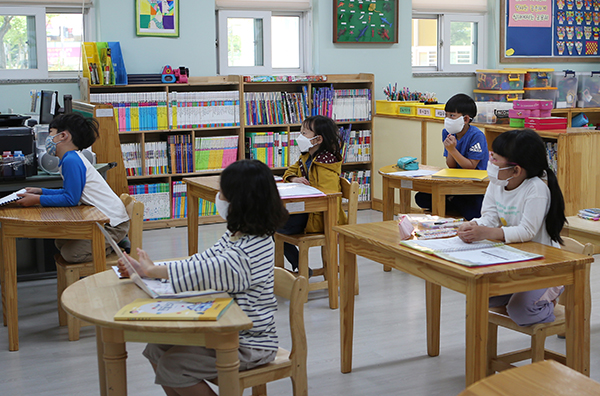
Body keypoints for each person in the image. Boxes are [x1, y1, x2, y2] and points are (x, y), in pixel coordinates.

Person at [118, 159, 289, 396]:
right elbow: (201, 261)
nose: (218, 198)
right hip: (227, 329)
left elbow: (208, 272)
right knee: (156, 349)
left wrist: (154, 271)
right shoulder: (237, 235)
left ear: (240, 202)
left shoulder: (248, 251)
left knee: (174, 366)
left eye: (223, 193)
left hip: (249, 343)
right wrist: (151, 268)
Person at [458, 129, 566, 326]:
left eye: (495, 159)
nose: (490, 163)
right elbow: (489, 218)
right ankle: (523, 295)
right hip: (515, 262)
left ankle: (550, 302)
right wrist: (473, 226)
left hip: (544, 267)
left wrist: (486, 233)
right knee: (480, 295)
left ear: (516, 170)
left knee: (520, 311)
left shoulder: (536, 188)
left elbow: (527, 232)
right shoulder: (498, 181)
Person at [17, 113, 130, 263]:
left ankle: (114, 245)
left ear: (63, 136)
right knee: (61, 242)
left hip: (112, 224)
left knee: (70, 254)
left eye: (50, 133)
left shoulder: (71, 160)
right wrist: (41, 191)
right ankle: (111, 242)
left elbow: (70, 199)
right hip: (104, 219)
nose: (47, 140)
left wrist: (37, 199)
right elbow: (69, 192)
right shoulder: (71, 158)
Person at [279, 115, 347, 272]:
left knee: (273, 227)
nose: (300, 136)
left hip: (319, 218)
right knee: (270, 225)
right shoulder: (306, 156)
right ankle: (300, 267)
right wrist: (294, 178)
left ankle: (300, 268)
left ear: (318, 139)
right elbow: (289, 171)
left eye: (305, 133)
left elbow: (329, 197)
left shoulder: (326, 163)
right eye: (301, 132)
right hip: (305, 212)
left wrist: (334, 227)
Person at [415, 93, 488, 220]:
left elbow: (471, 166)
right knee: (421, 198)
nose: (447, 119)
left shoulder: (477, 136)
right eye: (446, 115)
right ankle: (453, 200)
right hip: (456, 181)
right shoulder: (446, 132)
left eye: (452, 116)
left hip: (474, 185)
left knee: (475, 213)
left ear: (465, 119)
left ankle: (452, 200)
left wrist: (453, 150)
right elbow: (451, 165)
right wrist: (450, 150)